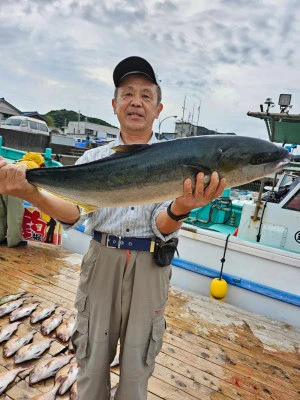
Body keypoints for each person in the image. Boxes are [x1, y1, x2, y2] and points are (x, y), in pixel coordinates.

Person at [0, 56, 226, 399]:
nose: (136, 101)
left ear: (158, 107)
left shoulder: (177, 159)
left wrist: (182, 208)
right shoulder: (92, 159)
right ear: (115, 104)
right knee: (90, 363)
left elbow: (162, 224)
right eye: (128, 93)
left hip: (151, 265)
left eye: (146, 95)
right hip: (101, 260)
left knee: (137, 368)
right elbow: (74, 214)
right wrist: (30, 190)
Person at [0, 152, 44, 248]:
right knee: (14, 215)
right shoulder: (33, 166)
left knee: (1, 214)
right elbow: (36, 187)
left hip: (2, 185)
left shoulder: (18, 162)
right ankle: (14, 241)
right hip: (14, 190)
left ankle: (0, 237)